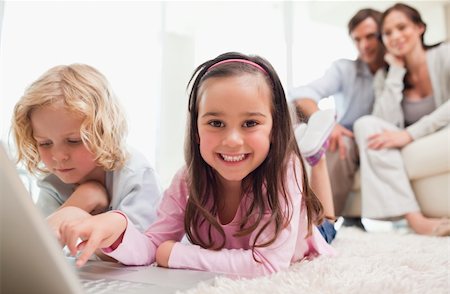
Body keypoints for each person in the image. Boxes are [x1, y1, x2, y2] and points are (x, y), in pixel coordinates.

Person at [58, 53, 336, 277]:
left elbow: (269, 264)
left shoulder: (285, 170)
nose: (232, 140)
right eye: (216, 123)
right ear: (196, 130)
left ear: (274, 130)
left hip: (304, 236)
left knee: (326, 225)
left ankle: (315, 157)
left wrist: (176, 254)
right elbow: (151, 247)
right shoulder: (187, 180)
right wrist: (118, 227)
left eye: (250, 123)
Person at [12, 64, 163, 255]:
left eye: (73, 141)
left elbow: (145, 252)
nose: (58, 156)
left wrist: (77, 215)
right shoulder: (53, 183)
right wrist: (82, 200)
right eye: (45, 143)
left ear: (103, 132)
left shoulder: (135, 175)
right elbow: (35, 251)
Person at [353, 3, 450, 236]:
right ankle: (415, 219)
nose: (395, 36)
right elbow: (382, 121)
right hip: (410, 142)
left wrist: (409, 134)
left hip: (435, 134)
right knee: (364, 124)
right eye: (388, 33)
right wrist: (395, 72)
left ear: (419, 28)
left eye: (401, 27)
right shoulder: (384, 75)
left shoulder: (444, 54)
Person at [289, 8, 386, 229]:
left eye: (370, 36)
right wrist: (329, 125)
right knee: (340, 143)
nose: (364, 45)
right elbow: (302, 94)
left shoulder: (399, 72)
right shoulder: (345, 69)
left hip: (380, 140)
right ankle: (320, 224)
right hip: (349, 139)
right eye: (357, 39)